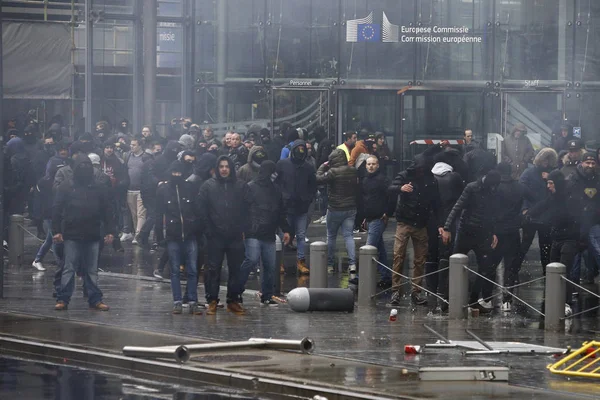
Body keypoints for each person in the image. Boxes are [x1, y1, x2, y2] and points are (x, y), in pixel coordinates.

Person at [53, 155, 115, 311]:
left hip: (92, 233)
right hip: (72, 233)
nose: (85, 169)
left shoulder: (99, 187)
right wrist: (57, 231)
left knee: (91, 269)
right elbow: (57, 209)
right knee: (70, 267)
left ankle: (94, 298)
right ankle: (63, 298)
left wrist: (110, 231)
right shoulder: (67, 186)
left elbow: (107, 210)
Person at [442, 170, 501, 313]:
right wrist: (447, 227)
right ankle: (447, 300)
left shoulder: (491, 189)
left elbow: (492, 212)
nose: (493, 189)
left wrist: (494, 232)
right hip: (466, 232)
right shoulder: (472, 187)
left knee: (485, 267)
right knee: (455, 265)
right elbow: (458, 207)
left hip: (482, 233)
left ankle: (473, 300)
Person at [388, 154, 442, 306]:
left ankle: (414, 291)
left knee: (419, 259)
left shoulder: (430, 180)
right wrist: (401, 188)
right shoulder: (407, 176)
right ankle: (396, 291)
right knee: (399, 256)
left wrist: (440, 224)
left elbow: (436, 204)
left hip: (419, 223)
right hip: (406, 221)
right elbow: (390, 188)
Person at [197, 156, 247, 315]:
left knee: (236, 269)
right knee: (213, 270)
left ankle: (233, 300)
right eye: (221, 166)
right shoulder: (208, 186)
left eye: (227, 166)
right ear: (217, 168)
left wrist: (244, 228)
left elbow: (248, 207)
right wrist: (208, 230)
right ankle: (211, 300)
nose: (224, 169)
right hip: (215, 236)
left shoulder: (240, 186)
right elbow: (202, 209)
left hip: (235, 235)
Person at [238, 161, 291, 306]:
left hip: (265, 232)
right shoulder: (252, 187)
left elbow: (280, 211)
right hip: (255, 231)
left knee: (269, 265)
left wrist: (285, 229)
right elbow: (243, 210)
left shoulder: (271, 189)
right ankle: (238, 290)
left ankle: (266, 295)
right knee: (254, 260)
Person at [528, 170, 579, 316]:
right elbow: (542, 206)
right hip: (556, 238)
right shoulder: (553, 197)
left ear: (557, 183)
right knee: (553, 271)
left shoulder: (570, 198)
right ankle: (555, 300)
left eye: (551, 183)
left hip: (569, 239)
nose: (548, 186)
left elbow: (568, 216)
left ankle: (566, 302)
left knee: (563, 272)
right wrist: (528, 215)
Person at [156, 161, 202, 315]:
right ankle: (177, 301)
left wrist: (198, 229)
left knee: (193, 270)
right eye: (174, 172)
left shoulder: (190, 188)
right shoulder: (163, 190)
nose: (176, 175)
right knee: (175, 270)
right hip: (173, 235)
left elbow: (197, 209)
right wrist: (160, 236)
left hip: (190, 234)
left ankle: (192, 300)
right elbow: (158, 214)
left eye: (179, 173)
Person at [491, 162, 531, 312]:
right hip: (513, 231)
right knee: (511, 267)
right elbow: (534, 198)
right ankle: (507, 299)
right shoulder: (519, 187)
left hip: (496, 231)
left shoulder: (494, 188)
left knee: (490, 264)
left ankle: (486, 297)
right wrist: (525, 214)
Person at [425, 154, 464, 306]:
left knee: (431, 254)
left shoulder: (430, 177)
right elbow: (460, 199)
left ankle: (430, 288)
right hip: (448, 220)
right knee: (445, 253)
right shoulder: (454, 178)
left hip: (431, 221)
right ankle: (442, 287)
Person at [275, 140, 317, 275]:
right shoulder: (282, 164)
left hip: (301, 207)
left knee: (300, 235)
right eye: (298, 148)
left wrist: (308, 198)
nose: (300, 151)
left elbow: (313, 185)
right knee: (284, 237)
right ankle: (279, 262)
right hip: (286, 207)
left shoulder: (308, 167)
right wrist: (281, 196)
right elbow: (275, 181)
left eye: (302, 149)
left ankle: (301, 261)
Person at [316, 149, 359, 275]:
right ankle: (352, 264)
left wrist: (322, 166)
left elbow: (318, 179)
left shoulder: (332, 172)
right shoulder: (353, 170)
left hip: (335, 208)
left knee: (331, 236)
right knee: (348, 236)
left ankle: (329, 264)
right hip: (350, 208)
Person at [518, 148, 558, 276]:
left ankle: (547, 274)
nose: (546, 162)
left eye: (548, 159)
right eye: (544, 158)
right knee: (524, 246)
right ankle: (513, 271)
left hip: (546, 217)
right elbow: (521, 191)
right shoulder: (529, 172)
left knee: (546, 247)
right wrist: (524, 209)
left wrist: (550, 178)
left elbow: (559, 190)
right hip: (531, 215)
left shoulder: (553, 173)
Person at [360, 155, 394, 287]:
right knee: (380, 249)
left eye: (373, 164)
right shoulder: (364, 180)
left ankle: (360, 276)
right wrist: (364, 217)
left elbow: (392, 197)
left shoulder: (383, 180)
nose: (371, 166)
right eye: (368, 164)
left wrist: (388, 213)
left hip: (378, 218)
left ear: (378, 165)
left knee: (369, 248)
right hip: (370, 218)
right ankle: (386, 276)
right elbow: (365, 200)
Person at [123, 138, 153, 244]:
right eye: (131, 144)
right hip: (130, 189)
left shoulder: (146, 157)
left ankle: (138, 235)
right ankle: (137, 233)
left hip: (141, 189)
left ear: (140, 146)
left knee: (141, 213)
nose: (131, 146)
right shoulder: (127, 156)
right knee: (134, 214)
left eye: (134, 145)